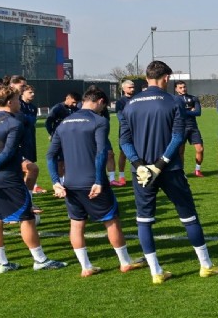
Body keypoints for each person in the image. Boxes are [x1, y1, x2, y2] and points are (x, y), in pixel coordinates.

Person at [119, 60, 218, 284]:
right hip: (170, 170)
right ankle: (206, 266)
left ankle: (156, 272)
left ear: (147, 77)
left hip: (141, 173)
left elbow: (124, 141)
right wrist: (160, 164)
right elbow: (178, 137)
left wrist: (140, 164)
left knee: (144, 221)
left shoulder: (129, 105)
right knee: (189, 217)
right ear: (166, 78)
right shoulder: (173, 101)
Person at [47, 86, 145, 277]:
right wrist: (100, 180)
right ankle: (125, 262)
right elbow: (102, 152)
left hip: (70, 183)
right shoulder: (99, 121)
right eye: (104, 106)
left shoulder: (64, 123)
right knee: (111, 221)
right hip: (92, 182)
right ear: (100, 101)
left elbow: (50, 155)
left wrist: (55, 181)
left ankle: (86, 267)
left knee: (76, 224)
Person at [0, 85, 67, 273]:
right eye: (16, 99)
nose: (19, 103)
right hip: (8, 177)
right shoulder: (14, 124)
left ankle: (2, 263)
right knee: (27, 217)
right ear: (9, 102)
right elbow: (8, 152)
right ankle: (40, 260)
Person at [45, 91, 81, 181]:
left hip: (72, 139)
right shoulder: (57, 108)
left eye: (76, 102)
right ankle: (61, 182)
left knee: (70, 160)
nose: (75, 104)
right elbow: (48, 122)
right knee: (60, 161)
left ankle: (68, 180)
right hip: (60, 139)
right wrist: (52, 134)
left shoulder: (76, 110)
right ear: (67, 98)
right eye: (73, 102)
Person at [174, 81, 205, 177]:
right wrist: (190, 110)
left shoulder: (193, 98)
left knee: (200, 149)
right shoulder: (174, 99)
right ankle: (181, 172)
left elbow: (198, 112)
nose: (183, 89)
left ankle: (197, 170)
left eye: (184, 87)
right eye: (180, 87)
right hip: (180, 127)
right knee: (180, 151)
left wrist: (184, 111)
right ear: (176, 89)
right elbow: (176, 113)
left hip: (193, 128)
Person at [112, 80, 136, 186]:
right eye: (130, 87)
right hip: (125, 130)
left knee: (139, 151)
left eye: (133, 87)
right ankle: (121, 176)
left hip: (138, 129)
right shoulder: (121, 102)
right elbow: (120, 116)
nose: (132, 89)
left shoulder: (138, 99)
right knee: (123, 153)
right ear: (124, 89)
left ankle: (138, 173)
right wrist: (129, 124)